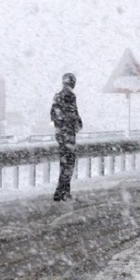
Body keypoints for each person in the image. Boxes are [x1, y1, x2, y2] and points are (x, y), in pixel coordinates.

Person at [50, 72, 83, 201]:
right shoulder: (69, 97)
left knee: (65, 164)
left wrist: (62, 127)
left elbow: (54, 116)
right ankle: (63, 192)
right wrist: (75, 123)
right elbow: (73, 115)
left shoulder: (58, 97)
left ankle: (62, 192)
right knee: (68, 164)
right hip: (67, 136)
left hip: (62, 136)